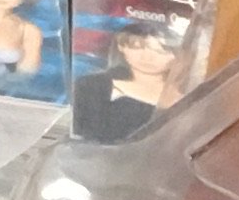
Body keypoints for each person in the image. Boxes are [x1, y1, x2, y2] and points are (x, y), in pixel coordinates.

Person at [82, 11, 191, 142]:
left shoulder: (192, 93)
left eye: (161, 51)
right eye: (137, 47)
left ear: (179, 55)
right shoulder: (92, 85)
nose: (147, 57)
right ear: (121, 47)